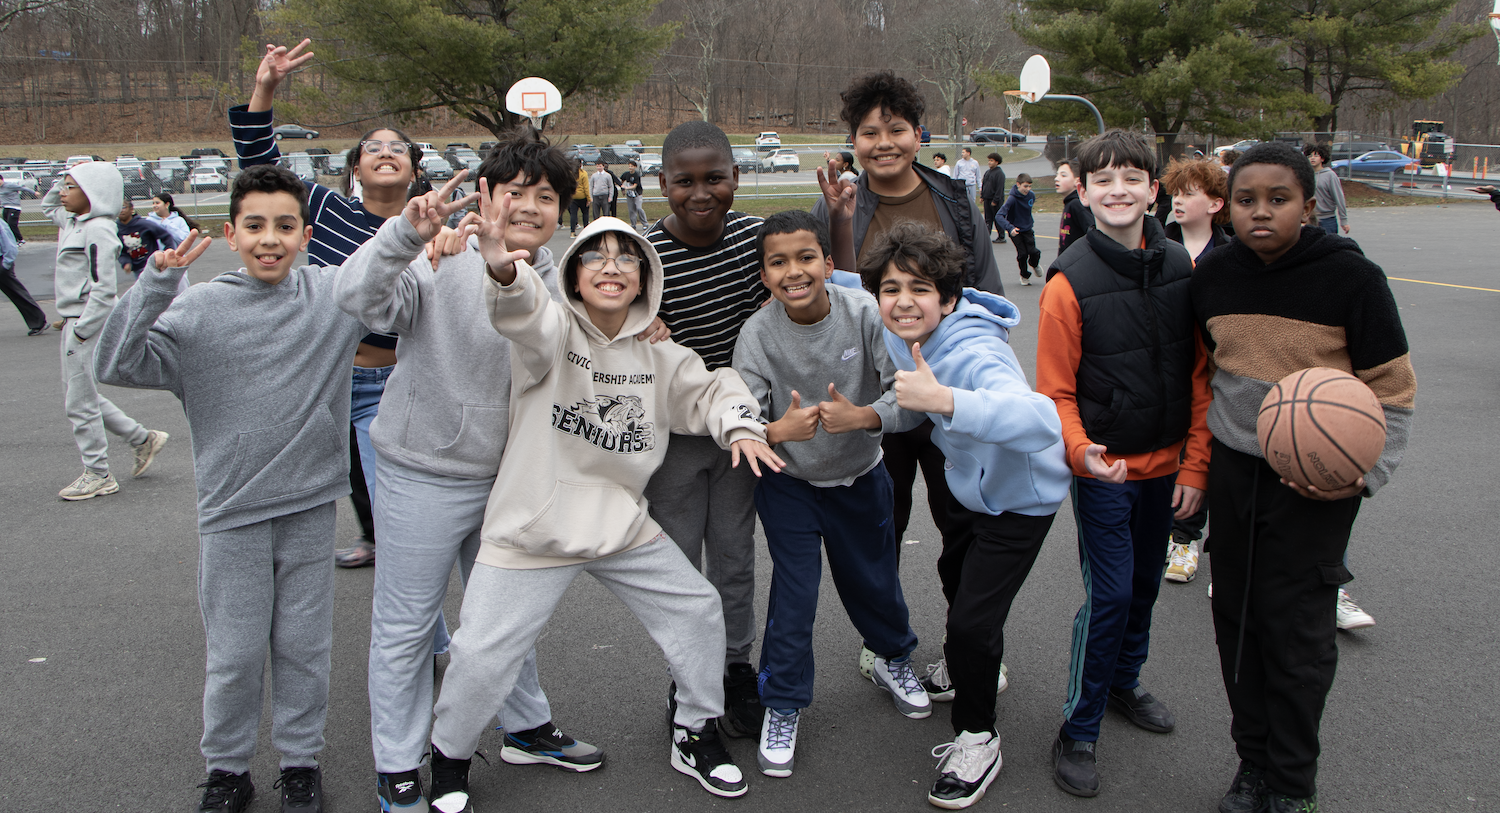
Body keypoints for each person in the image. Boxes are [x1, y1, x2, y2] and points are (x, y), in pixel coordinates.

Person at [427, 208, 781, 805]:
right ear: (573, 273)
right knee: (482, 652)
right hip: (531, 525)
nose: (610, 267)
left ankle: (693, 730)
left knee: (697, 610)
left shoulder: (660, 356)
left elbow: (715, 389)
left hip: (618, 521)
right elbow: (522, 315)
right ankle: (448, 757)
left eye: (626, 259)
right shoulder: (555, 333)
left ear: (645, 278)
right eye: (595, 256)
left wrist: (742, 426)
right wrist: (501, 270)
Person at [336, 130, 611, 811]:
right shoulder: (437, 257)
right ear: (484, 195)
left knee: (501, 621)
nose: (528, 206)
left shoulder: (562, 278)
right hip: (422, 471)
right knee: (406, 624)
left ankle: (526, 726)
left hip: (508, 481)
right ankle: (398, 762)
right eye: (513, 190)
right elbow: (356, 299)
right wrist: (405, 235)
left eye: (544, 196)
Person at [94, 164, 370, 813]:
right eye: (254, 225)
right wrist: (155, 285)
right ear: (230, 232)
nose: (269, 238)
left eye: (284, 225)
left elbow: (389, 278)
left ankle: (300, 762)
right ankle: (227, 768)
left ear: (305, 235)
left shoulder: (332, 297)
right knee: (236, 652)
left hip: (307, 505)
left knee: (304, 647)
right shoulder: (197, 308)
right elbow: (116, 361)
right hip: (231, 512)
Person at [1192, 142, 1414, 813]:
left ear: (1310, 206)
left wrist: (1363, 474)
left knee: (1296, 633)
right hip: (1236, 470)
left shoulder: (1351, 279)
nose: (1261, 212)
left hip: (1315, 484)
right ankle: (1252, 762)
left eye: (1278, 199)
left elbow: (1393, 391)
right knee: (1237, 623)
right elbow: (1211, 375)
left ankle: (1292, 780)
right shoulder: (1214, 276)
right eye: (1246, 199)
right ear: (1228, 207)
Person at [860, 221, 1069, 809]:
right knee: (956, 580)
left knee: (972, 622)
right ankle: (968, 666)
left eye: (921, 289)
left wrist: (945, 400)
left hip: (1020, 499)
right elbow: (844, 279)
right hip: (971, 488)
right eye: (892, 289)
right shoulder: (905, 325)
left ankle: (979, 737)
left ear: (949, 299)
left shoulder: (976, 351)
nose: (904, 301)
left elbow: (1039, 420)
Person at [230, 39, 459, 571]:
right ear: (356, 169)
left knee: (392, 498)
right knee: (300, 491)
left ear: (414, 170)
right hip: (320, 375)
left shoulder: (435, 229)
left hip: (392, 380)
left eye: (397, 148)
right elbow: (258, 163)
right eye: (372, 148)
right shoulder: (329, 210)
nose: (384, 151)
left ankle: (421, 639)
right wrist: (265, 87)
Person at [1036, 129, 1211, 798]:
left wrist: (1196, 467)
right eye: (1102, 179)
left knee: (1143, 587)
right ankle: (1078, 725)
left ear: (1153, 190)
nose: (1118, 189)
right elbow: (1055, 391)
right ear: (1082, 190)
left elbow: (1199, 374)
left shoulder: (1178, 268)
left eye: (1131, 177)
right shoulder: (1068, 281)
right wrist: (1082, 452)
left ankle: (1123, 683)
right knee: (1108, 594)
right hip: (1105, 471)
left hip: (1167, 466)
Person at [813, 69, 1006, 678]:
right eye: (869, 132)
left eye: (896, 128)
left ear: (918, 134)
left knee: (962, 523)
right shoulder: (838, 201)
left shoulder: (952, 196)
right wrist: (839, 220)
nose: (883, 142)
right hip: (878, 393)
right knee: (882, 525)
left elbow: (981, 291)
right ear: (854, 140)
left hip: (947, 389)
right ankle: (885, 637)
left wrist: (977, 381)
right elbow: (840, 293)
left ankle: (966, 648)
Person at [731, 210, 929, 778]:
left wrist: (867, 416)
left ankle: (893, 658)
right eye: (778, 262)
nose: (794, 271)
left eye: (805, 258)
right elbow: (741, 412)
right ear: (765, 275)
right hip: (790, 484)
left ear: (828, 263)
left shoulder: (866, 313)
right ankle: (784, 703)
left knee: (873, 581)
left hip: (861, 477)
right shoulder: (757, 334)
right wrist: (773, 431)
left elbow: (909, 395)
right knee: (795, 595)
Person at [642, 120, 773, 740]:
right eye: (685, 181)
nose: (701, 192)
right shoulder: (645, 255)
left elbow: (814, 281)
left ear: (735, 178)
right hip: (673, 435)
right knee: (678, 563)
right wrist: (639, 330)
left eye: (714, 178)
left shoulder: (754, 238)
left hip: (741, 429)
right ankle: (688, 673)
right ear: (662, 183)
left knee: (733, 556)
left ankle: (735, 667)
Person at [44, 161, 169, 501]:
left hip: (85, 320)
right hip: (73, 320)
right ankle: (142, 438)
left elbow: (103, 288)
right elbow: (47, 205)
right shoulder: (71, 220)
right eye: (64, 185)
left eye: (71, 186)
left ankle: (98, 474)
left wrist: (82, 331)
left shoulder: (98, 229)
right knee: (81, 394)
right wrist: (72, 174)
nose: (62, 192)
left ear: (93, 194)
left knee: (79, 402)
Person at [1158, 156, 1231, 584]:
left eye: (1190, 193)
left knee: (1224, 464)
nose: (1178, 200)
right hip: (1173, 374)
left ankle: (1226, 556)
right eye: (1175, 192)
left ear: (1217, 204)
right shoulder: (1155, 246)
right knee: (1184, 460)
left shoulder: (1233, 256)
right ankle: (1181, 540)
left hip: (1223, 374)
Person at [0, 213, 47, 335]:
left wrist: (5, 265)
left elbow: (10, 247)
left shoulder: (1, 225)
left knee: (16, 292)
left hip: (2, 262)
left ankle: (38, 321)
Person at [995, 173, 1040, 286]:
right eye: (1025, 186)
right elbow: (999, 216)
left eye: (1030, 186)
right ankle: (1024, 275)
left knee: (1033, 251)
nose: (1028, 189)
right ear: (1018, 184)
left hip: (1027, 228)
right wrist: (1010, 228)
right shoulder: (1012, 199)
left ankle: (1034, 264)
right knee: (1023, 254)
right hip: (1016, 231)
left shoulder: (1031, 196)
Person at [117, 199, 180, 276]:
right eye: (118, 208)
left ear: (131, 209)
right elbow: (119, 250)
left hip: (152, 265)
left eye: (123, 207)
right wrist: (126, 262)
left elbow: (166, 236)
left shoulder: (144, 225)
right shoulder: (116, 229)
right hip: (137, 268)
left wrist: (167, 254)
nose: (121, 210)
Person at [1302, 144, 1349, 236]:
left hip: (1327, 220)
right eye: (1310, 156)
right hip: (1310, 219)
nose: (1312, 158)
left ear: (1322, 159)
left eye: (1316, 155)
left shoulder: (1330, 175)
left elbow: (1339, 198)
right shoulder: (1305, 176)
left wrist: (1344, 220)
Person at [1055, 160, 1093, 257]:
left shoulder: (1076, 204)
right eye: (1057, 174)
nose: (1056, 178)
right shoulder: (1069, 203)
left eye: (1063, 175)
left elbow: (1092, 231)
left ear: (1077, 181)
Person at [980, 153, 1007, 244]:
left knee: (997, 218)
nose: (989, 162)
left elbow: (999, 188)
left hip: (995, 200)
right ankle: (986, 236)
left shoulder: (999, 173)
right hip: (987, 199)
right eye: (989, 160)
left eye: (991, 161)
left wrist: (995, 200)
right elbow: (984, 185)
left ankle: (1001, 236)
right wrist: (982, 196)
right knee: (988, 219)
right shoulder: (988, 172)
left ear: (997, 162)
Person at [619, 159, 647, 231]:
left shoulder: (637, 175)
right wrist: (622, 189)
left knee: (639, 208)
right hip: (629, 195)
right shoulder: (626, 174)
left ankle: (645, 224)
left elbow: (634, 186)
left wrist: (626, 187)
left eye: (632, 166)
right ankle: (633, 225)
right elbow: (621, 182)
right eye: (629, 166)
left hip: (637, 194)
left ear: (635, 167)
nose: (630, 167)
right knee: (631, 210)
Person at [1, 171, 23, 243]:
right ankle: (13, 240)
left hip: (14, 207)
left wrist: (34, 192)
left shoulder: (9, 185)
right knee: (6, 225)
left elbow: (23, 188)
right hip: (6, 207)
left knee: (11, 224)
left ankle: (20, 239)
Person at [569, 161, 590, 236]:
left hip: (573, 196)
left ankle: (572, 232)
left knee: (573, 214)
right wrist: (588, 198)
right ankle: (586, 231)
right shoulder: (583, 173)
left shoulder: (570, 173)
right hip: (582, 196)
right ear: (581, 165)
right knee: (585, 213)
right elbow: (586, 187)